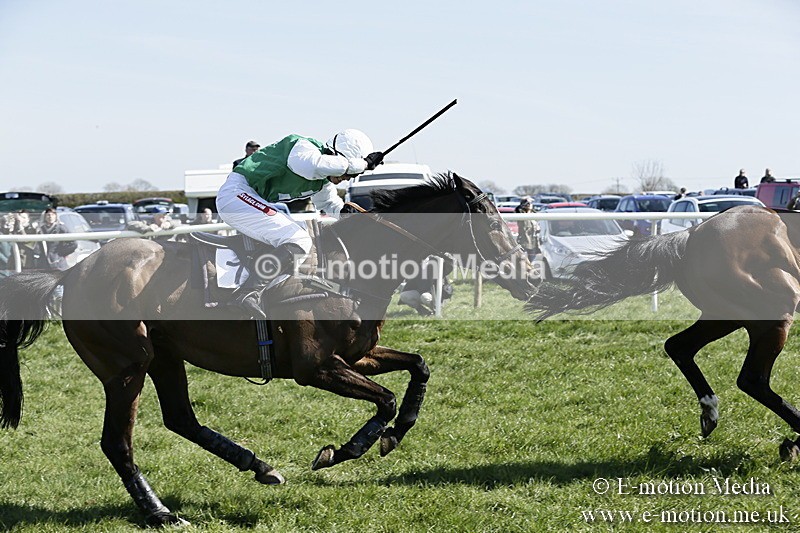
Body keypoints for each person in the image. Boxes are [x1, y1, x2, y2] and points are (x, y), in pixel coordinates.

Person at [216, 129, 384, 318]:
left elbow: (328, 203)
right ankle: (247, 294)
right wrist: (362, 164)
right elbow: (316, 165)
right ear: (335, 155)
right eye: (347, 173)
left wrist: (344, 212)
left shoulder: (322, 180)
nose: (347, 177)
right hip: (236, 193)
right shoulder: (303, 148)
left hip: (249, 197)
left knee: (304, 238)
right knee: (299, 240)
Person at [515, 197, 539, 262]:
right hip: (524, 241)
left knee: (532, 261)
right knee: (524, 261)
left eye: (530, 203)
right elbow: (525, 224)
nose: (529, 204)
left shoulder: (534, 213)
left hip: (534, 242)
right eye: (527, 203)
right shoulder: (520, 213)